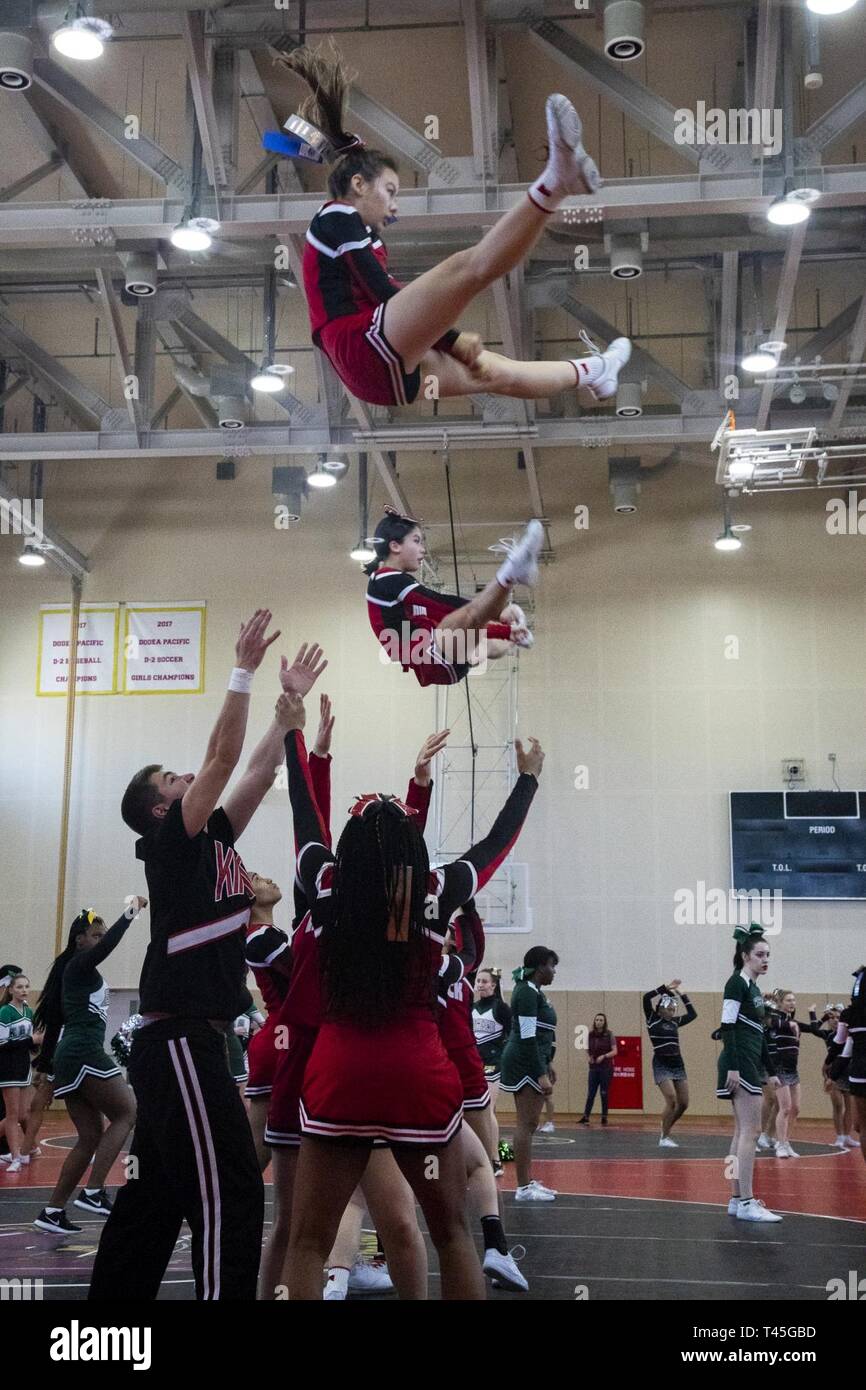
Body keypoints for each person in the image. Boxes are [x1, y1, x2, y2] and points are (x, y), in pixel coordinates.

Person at [277, 688, 544, 1299]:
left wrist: (297, 740)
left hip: (339, 1073)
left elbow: (303, 815)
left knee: (309, 1240)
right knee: (451, 1232)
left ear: (346, 850)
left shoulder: (325, 882)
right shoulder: (435, 889)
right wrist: (526, 781)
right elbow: (494, 847)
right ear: (412, 851)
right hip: (419, 1076)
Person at [89, 619, 323, 1302]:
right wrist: (242, 670)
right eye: (172, 777)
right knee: (231, 1186)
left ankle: (102, 1334)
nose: (188, 774)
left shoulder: (212, 836)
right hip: (179, 1036)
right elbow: (220, 760)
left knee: (153, 1204)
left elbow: (250, 769)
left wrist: (287, 712)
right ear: (160, 809)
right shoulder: (167, 848)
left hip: (191, 1041)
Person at [278, 40, 632, 411]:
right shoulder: (336, 215)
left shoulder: (361, 233)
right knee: (465, 269)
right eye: (390, 190)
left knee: (500, 374)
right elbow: (379, 288)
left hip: (374, 372)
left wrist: (437, 331)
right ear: (358, 185)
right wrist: (450, 338)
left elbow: (383, 294)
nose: (395, 205)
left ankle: (594, 370)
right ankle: (557, 183)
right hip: (359, 346)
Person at [260, 722, 446, 1300]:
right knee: (296, 1225)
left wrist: (312, 752)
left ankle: (337, 1272)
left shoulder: (348, 903)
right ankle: (327, 1274)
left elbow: (361, 846)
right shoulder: (315, 907)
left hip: (328, 1067)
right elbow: (320, 830)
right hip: (304, 1065)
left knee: (362, 1225)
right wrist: (310, 754)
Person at [32, 903, 143, 1231]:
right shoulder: (80, 965)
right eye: (96, 935)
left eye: (103, 934)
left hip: (72, 1055)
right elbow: (108, 948)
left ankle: (52, 1211)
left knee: (90, 1135)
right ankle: (94, 1191)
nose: (102, 939)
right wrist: (130, 913)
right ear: (79, 940)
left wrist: (48, 1067)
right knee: (127, 1112)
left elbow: (54, 1023)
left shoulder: (76, 971)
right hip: (83, 1050)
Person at [440, 909, 528, 1292]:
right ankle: (496, 1248)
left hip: (457, 1070)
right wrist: (467, 903)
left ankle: (498, 1250)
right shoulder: (455, 969)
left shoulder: (459, 973)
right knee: (481, 1167)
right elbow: (474, 944)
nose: (484, 986)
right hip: (455, 1070)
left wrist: (467, 911)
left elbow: (474, 946)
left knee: (486, 1165)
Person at [365, 510, 542, 688]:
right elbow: (437, 603)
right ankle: (512, 572)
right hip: (429, 657)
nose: (423, 549)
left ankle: (516, 629)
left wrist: (506, 630)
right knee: (466, 617)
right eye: (416, 541)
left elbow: (440, 610)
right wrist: (499, 620)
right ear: (395, 546)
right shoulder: (382, 579)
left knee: (487, 643)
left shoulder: (396, 583)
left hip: (441, 657)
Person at [717, 924, 782, 1223]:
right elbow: (727, 1026)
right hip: (740, 1062)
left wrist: (770, 1070)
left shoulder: (754, 989)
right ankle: (746, 1201)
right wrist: (732, 1064)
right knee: (751, 1132)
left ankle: (735, 1199)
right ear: (745, 956)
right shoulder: (737, 984)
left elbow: (759, 1034)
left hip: (750, 1062)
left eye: (768, 954)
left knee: (742, 1131)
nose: (765, 959)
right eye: (759, 954)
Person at [500, 947, 560, 1201]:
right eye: (551, 966)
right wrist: (539, 1073)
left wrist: (548, 1064)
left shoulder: (534, 992)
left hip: (533, 1060)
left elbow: (542, 1035)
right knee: (526, 1123)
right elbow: (527, 1037)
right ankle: (523, 1187)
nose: (554, 971)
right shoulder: (525, 992)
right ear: (538, 968)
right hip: (523, 1062)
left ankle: (527, 1182)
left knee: (530, 1123)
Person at [763, 990, 824, 1159]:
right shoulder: (776, 1018)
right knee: (785, 1108)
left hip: (792, 1070)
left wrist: (812, 1012)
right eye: (788, 1000)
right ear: (780, 1002)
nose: (792, 1003)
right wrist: (775, 1006)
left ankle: (786, 1141)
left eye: (794, 1000)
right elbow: (775, 1023)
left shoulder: (793, 1022)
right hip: (780, 1068)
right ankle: (780, 1144)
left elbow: (814, 1029)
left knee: (796, 1109)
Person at [642, 980, 696, 1148]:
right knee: (671, 1098)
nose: (672, 1011)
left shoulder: (675, 1022)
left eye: (674, 1009)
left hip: (677, 1064)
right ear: (661, 1008)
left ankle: (666, 1128)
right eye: (669, 1008)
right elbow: (646, 998)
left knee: (684, 1103)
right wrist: (665, 988)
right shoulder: (652, 1019)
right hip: (661, 1063)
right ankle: (664, 1137)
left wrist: (682, 994)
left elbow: (693, 1014)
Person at [472, 967, 511, 1174]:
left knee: (487, 1110)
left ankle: (495, 1160)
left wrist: (504, 1054)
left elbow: (513, 1034)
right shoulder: (472, 1007)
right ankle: (478, 1156)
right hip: (473, 1064)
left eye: (485, 981)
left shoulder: (501, 1008)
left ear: (494, 985)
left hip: (493, 1063)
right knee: (476, 1111)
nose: (480, 984)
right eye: (478, 981)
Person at [0, 973, 36, 1173]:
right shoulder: (5, 1011)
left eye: (27, 986)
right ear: (11, 989)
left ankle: (19, 1152)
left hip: (24, 1067)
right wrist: (31, 1041)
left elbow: (29, 1042)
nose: (24, 990)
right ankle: (15, 1157)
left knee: (23, 1113)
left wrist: (36, 1047)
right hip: (8, 1068)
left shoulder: (29, 1012)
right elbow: (2, 1043)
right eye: (20, 987)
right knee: (12, 1115)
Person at [833, 965, 866, 1168]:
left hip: (860, 1073)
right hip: (859, 1072)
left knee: (861, 1126)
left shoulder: (851, 1014)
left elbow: (844, 1045)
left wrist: (832, 1069)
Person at [579, 1013, 617, 1126]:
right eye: (597, 1020)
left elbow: (615, 1051)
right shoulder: (590, 1035)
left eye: (601, 1020)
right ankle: (586, 1116)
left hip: (606, 1068)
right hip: (593, 1068)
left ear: (604, 1022)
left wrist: (604, 1056)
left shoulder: (609, 1034)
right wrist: (589, 1057)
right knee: (591, 1093)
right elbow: (586, 1049)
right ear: (594, 1021)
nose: (599, 1022)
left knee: (604, 1092)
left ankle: (604, 1116)